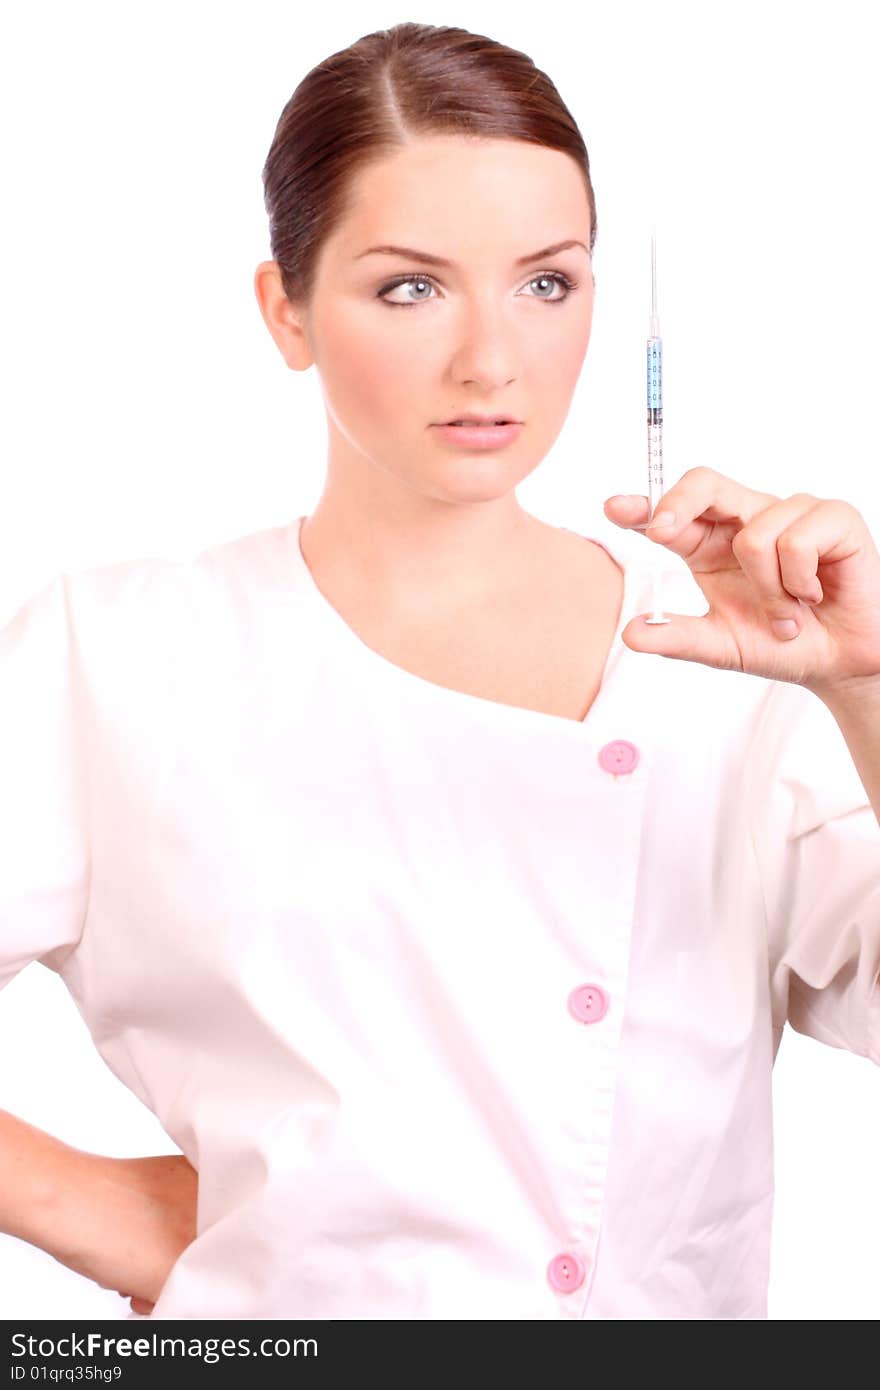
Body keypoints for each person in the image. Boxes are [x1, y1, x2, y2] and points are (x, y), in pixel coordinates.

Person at [2, 21, 879, 1323]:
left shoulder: (729, 648)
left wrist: (862, 686)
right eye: (411, 287)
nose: (492, 360)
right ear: (284, 311)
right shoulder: (120, 651)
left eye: (547, 282)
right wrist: (87, 1203)